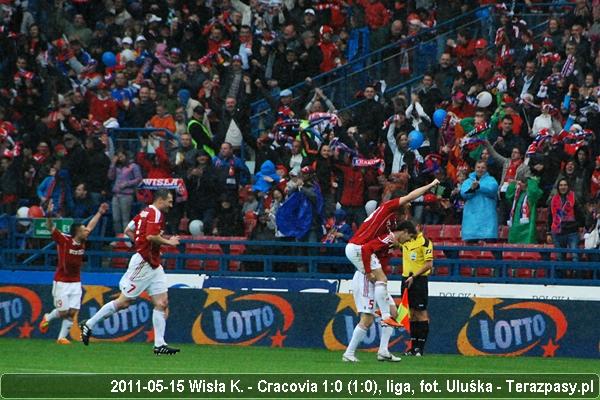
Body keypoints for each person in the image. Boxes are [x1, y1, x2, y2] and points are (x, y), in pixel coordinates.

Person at [79, 190, 181, 355]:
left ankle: (159, 344)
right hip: (143, 263)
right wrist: (169, 242)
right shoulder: (155, 214)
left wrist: (140, 243)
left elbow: (128, 230)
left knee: (162, 303)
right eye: (169, 201)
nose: (171, 204)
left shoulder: (144, 212)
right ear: (160, 200)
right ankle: (89, 324)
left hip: (154, 264)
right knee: (123, 302)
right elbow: (150, 236)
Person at [344, 179, 439, 339]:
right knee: (380, 283)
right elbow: (410, 197)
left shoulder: (393, 222)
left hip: (364, 251)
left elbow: (386, 243)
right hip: (359, 248)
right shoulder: (388, 207)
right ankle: (385, 315)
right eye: (407, 203)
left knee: (386, 294)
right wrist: (430, 185)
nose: (408, 206)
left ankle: (384, 347)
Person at [38, 200, 109, 344]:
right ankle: (47, 317)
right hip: (61, 281)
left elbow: (91, 226)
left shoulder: (82, 241)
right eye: (83, 230)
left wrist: (100, 213)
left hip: (76, 281)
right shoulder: (64, 240)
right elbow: (50, 226)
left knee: (72, 312)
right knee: (63, 312)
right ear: (77, 232)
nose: (86, 231)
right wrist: (49, 214)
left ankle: (61, 338)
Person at [397, 221, 433, 356]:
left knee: (421, 313)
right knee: (410, 313)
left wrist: (414, 276)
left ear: (419, 227)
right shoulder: (405, 241)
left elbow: (429, 264)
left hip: (419, 280)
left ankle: (420, 347)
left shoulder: (425, 242)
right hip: (406, 279)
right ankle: (413, 346)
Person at [460, 161, 499, 242]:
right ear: (474, 168)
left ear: (486, 169)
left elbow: (493, 190)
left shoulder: (491, 180)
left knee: (490, 249)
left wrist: (479, 187)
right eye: (478, 167)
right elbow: (463, 194)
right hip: (471, 219)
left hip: (487, 219)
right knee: (471, 251)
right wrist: (472, 189)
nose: (480, 169)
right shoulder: (467, 181)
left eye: (483, 167)